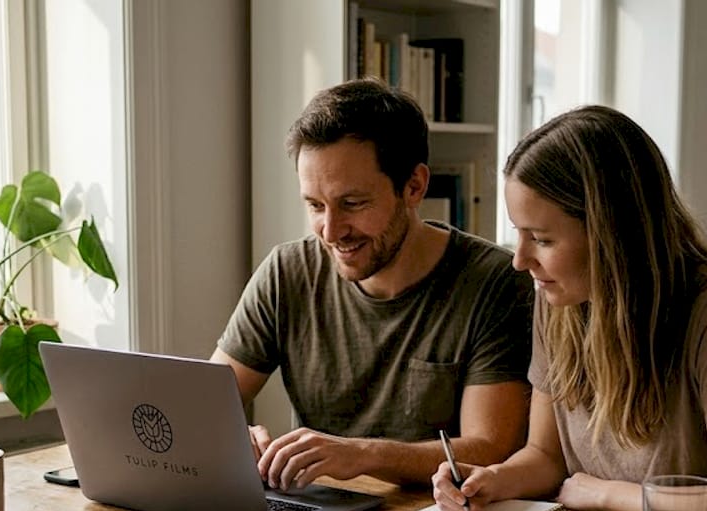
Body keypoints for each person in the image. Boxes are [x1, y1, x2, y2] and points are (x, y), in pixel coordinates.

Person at [432, 105, 707, 511]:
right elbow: (547, 456)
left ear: (612, 233)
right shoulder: (558, 300)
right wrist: (492, 480)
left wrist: (604, 494)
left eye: (542, 239)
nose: (520, 261)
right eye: (519, 234)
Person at [213, 78, 533, 489]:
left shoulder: (496, 283)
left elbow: (491, 448)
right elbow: (206, 405)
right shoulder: (286, 272)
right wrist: (231, 437)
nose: (330, 231)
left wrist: (361, 454)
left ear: (414, 186)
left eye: (353, 204)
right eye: (314, 205)